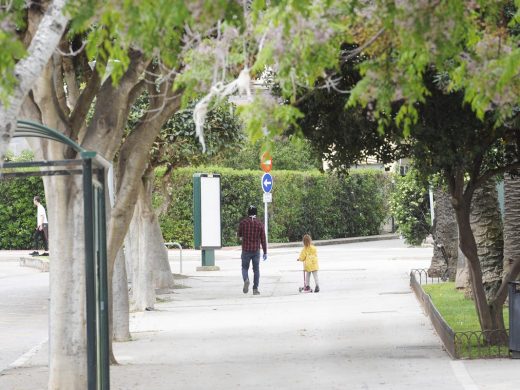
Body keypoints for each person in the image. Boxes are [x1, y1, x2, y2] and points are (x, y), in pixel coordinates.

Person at [237, 205, 267, 295]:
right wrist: (265, 252)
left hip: (246, 249)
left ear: (248, 213)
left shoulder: (243, 223)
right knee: (256, 270)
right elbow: (263, 239)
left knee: (244, 268)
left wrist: (242, 239)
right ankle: (255, 289)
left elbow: (239, 236)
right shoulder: (259, 224)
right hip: (256, 250)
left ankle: (246, 279)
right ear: (256, 213)